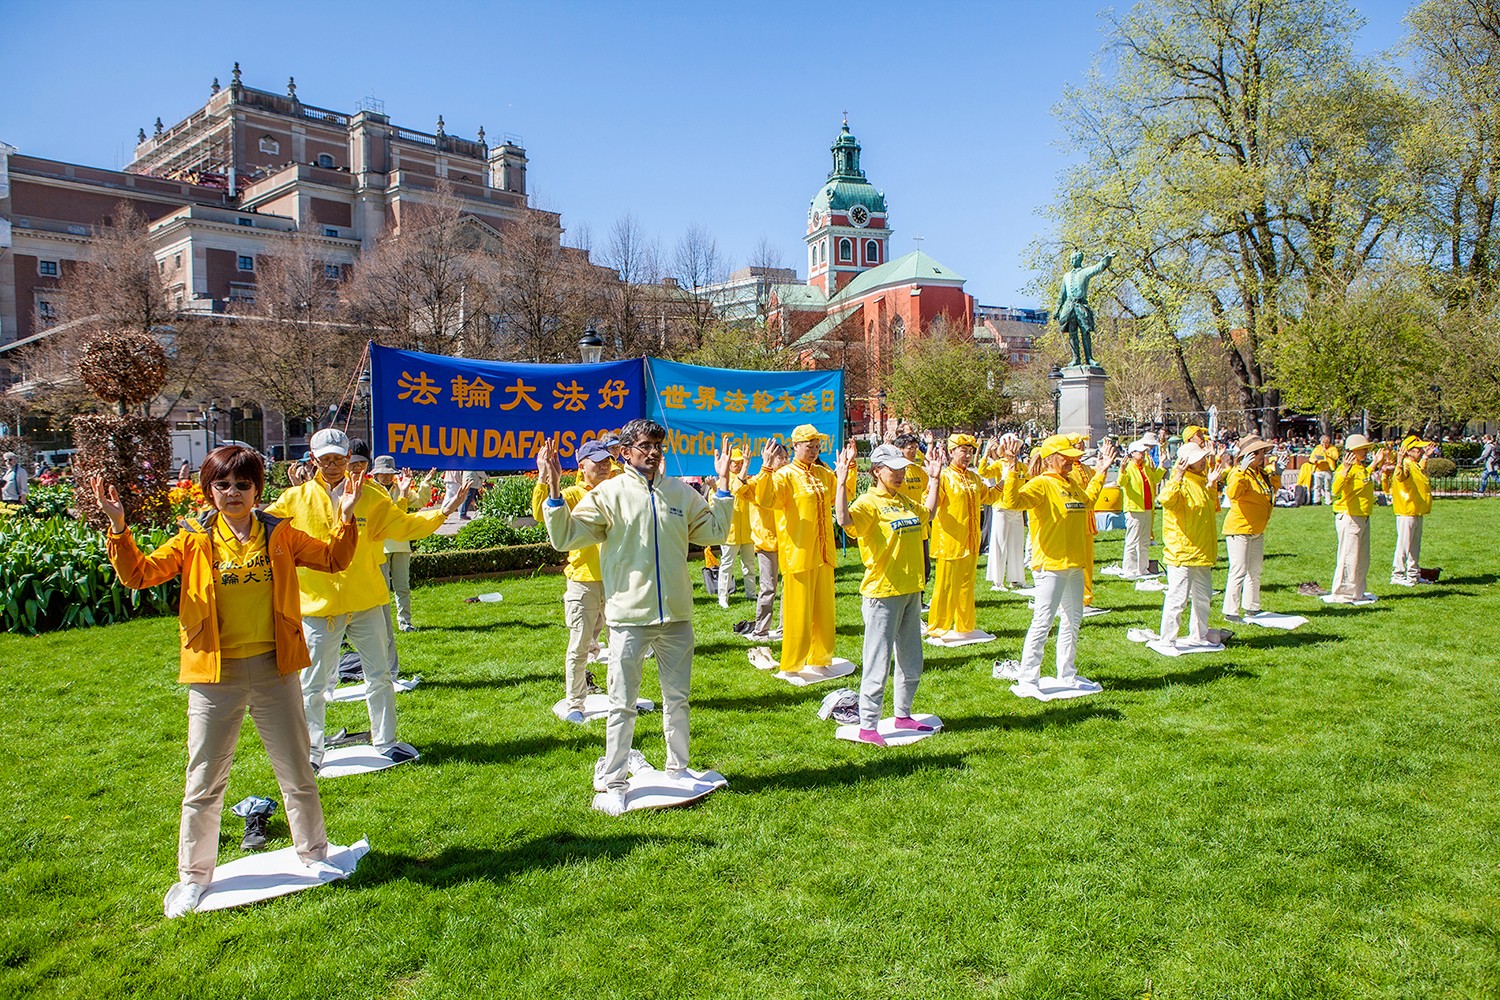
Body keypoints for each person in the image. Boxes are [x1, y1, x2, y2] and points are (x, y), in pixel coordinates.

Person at [94, 445, 358, 918]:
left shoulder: (279, 534)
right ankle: (194, 878)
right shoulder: (192, 538)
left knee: (298, 772)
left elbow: (335, 560)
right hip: (215, 674)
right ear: (209, 489)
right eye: (222, 485)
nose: (232, 493)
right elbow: (138, 574)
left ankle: (315, 854)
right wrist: (118, 527)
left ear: (257, 490)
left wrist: (346, 517)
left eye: (242, 484)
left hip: (275, 669)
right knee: (204, 781)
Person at [538, 421, 734, 815]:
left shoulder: (680, 491)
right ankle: (614, 781)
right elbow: (565, 538)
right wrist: (555, 490)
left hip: (677, 616)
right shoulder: (608, 494)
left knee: (677, 699)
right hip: (628, 618)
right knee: (621, 703)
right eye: (645, 446)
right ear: (624, 452)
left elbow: (714, 532)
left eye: (658, 445)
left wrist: (724, 485)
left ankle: (678, 769)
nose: (654, 452)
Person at [265, 428, 461, 770]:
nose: (333, 466)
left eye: (339, 459)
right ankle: (311, 753)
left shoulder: (370, 494)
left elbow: (403, 526)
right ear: (313, 461)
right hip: (317, 606)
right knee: (311, 685)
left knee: (380, 675)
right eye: (325, 460)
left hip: (367, 601)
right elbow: (263, 530)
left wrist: (443, 511)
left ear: (348, 459)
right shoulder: (294, 500)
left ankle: (385, 741)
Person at [834, 443, 943, 745]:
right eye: (892, 470)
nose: (898, 474)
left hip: (911, 589)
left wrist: (934, 479)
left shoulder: (905, 500)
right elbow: (845, 520)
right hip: (882, 592)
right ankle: (868, 724)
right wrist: (841, 482)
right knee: (878, 661)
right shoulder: (869, 503)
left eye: (901, 469)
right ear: (876, 471)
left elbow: (928, 513)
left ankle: (903, 714)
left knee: (911, 659)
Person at [995, 434, 1108, 693]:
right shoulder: (1041, 484)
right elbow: (1012, 502)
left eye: (1072, 457)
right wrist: (1012, 467)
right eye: (1066, 457)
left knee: (1073, 620)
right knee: (1042, 622)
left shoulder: (1069, 484)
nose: (1071, 461)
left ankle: (1067, 673)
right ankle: (1028, 678)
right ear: (1050, 459)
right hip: (1050, 565)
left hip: (1074, 563)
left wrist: (1100, 473)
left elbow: (1087, 502)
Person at [532, 439, 617, 722]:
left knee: (620, 644)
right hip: (584, 580)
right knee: (579, 645)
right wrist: (546, 478)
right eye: (598, 461)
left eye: (607, 459)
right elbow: (539, 514)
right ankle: (575, 703)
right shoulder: (571, 494)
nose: (605, 465)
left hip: (617, 577)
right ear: (582, 465)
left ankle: (619, 698)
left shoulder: (615, 488)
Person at [754, 424, 839, 674]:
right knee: (798, 614)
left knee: (824, 612)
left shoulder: (823, 474)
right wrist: (766, 467)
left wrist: (847, 472)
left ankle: (820, 657)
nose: (814, 451)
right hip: (799, 552)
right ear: (796, 447)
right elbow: (766, 500)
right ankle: (792, 662)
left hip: (823, 552)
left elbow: (840, 494)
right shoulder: (785, 475)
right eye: (808, 446)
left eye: (816, 446)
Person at [927, 433, 1000, 641]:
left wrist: (1007, 478)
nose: (967, 456)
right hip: (950, 541)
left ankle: (965, 625)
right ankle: (938, 628)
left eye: (970, 452)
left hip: (971, 541)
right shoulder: (944, 477)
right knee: (946, 587)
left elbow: (990, 496)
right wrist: (932, 481)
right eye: (963, 451)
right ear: (951, 452)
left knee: (967, 587)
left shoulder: (974, 478)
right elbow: (931, 503)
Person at [1158, 441, 1226, 647]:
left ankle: (1199, 635)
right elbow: (1166, 500)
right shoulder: (1180, 483)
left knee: (1203, 598)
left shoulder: (1200, 482)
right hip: (1182, 551)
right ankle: (1167, 640)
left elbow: (1210, 509)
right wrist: (1177, 476)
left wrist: (1213, 485)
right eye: (1200, 459)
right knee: (1177, 599)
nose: (1204, 462)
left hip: (1201, 551)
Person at [370, 457, 428, 634]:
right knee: (380, 589)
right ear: (376, 474)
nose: (387, 477)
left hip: (401, 544)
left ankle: (405, 622)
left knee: (402, 586)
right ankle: (381, 624)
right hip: (379, 545)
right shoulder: (370, 490)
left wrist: (425, 483)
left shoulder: (400, 487)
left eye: (389, 474)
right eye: (383, 473)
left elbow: (420, 502)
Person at [1221, 436, 1276, 621]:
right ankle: (1231, 610)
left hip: (1257, 528)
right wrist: (1242, 471)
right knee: (1239, 570)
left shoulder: (1260, 473)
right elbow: (1233, 493)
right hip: (1240, 529)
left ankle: (1252, 606)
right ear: (1249, 455)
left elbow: (1268, 492)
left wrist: (1278, 474)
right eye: (1259, 453)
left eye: (1263, 453)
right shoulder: (1238, 473)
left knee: (1255, 570)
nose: (1262, 456)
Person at [1328, 434, 1384, 603]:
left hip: (1363, 516)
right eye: (1362, 450)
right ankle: (1342, 593)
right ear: (1352, 451)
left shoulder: (1360, 468)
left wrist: (1374, 464)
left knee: (1362, 557)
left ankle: (1357, 591)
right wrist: (1344, 470)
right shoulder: (1346, 469)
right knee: (1348, 557)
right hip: (1350, 516)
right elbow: (1335, 489)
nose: (1365, 452)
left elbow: (1364, 477)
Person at [980, 434, 1028, 591]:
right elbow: (983, 472)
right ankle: (997, 581)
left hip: (1017, 509)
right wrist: (986, 454)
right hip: (1001, 507)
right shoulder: (999, 464)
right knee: (999, 544)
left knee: (1016, 544)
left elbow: (1029, 478)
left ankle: (1017, 579)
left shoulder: (1021, 466)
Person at [1386, 435, 1435, 586]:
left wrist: (1426, 457)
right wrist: (1399, 461)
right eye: (1417, 449)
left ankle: (1413, 574)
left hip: (1415, 509)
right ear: (1408, 451)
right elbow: (1399, 477)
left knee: (1414, 545)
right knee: (1404, 545)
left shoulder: (1412, 463)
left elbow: (1419, 470)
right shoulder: (1406, 464)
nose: (1420, 451)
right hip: (1407, 510)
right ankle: (1398, 574)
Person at [718, 447, 757, 609]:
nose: (739, 465)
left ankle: (751, 593)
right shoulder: (725, 480)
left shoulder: (747, 479)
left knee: (749, 564)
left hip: (747, 531)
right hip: (731, 532)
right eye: (736, 463)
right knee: (727, 565)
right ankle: (722, 596)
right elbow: (735, 488)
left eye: (742, 462)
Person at [1118, 439, 1164, 577]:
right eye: (1140, 452)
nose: (1143, 454)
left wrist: (1161, 464)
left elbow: (1155, 479)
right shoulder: (1129, 467)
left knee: (1144, 541)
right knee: (1132, 540)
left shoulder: (1145, 466)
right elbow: (1122, 482)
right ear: (1132, 453)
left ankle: (1143, 568)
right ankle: (1129, 569)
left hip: (1147, 508)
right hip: (1134, 509)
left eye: (1144, 452)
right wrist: (1121, 469)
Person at [1309, 435, 1339, 505]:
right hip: (1318, 470)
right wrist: (1314, 460)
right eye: (1323, 442)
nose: (1324, 444)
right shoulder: (1317, 448)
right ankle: (1316, 500)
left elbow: (1335, 457)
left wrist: (1327, 452)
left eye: (1326, 442)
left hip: (1327, 470)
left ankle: (1328, 501)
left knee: (1327, 487)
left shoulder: (1332, 448)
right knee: (1317, 486)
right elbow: (1311, 458)